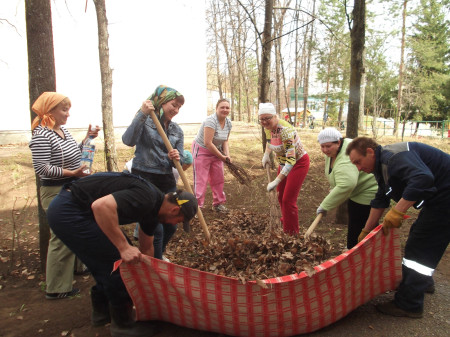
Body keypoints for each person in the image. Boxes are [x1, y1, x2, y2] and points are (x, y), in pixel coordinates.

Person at [46, 172, 198, 337]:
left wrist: (154, 277)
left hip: (78, 211)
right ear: (175, 210)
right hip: (69, 211)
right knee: (119, 262)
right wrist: (123, 247)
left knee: (114, 260)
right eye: (179, 221)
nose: (174, 224)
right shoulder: (146, 197)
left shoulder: (154, 210)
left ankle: (102, 314)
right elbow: (101, 206)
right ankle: (123, 326)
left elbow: (147, 248)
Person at [346, 137, 450, 318]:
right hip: (439, 199)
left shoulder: (394, 158)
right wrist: (366, 230)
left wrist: (397, 211)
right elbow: (380, 199)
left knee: (419, 247)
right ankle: (422, 283)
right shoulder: (382, 168)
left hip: (445, 198)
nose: (359, 168)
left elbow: (423, 179)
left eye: (358, 162)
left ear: (370, 152)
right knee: (420, 240)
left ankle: (409, 304)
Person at [28, 91, 100, 300]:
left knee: (77, 226)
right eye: (64, 109)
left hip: (71, 187)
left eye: (68, 109)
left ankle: (78, 267)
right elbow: (42, 168)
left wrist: (88, 138)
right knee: (60, 233)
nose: (68, 114)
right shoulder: (41, 134)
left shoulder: (62, 131)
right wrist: (72, 173)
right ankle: (57, 287)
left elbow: (74, 154)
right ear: (49, 111)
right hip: (54, 190)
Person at [122, 85, 186, 260]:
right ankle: (155, 263)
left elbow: (179, 157)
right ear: (162, 102)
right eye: (174, 105)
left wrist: (176, 155)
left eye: (179, 107)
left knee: (172, 225)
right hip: (144, 177)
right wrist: (142, 113)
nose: (176, 110)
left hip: (166, 179)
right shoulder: (145, 120)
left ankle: (156, 253)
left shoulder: (176, 130)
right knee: (155, 226)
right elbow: (127, 140)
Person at [315, 128, 378, 249]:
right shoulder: (334, 152)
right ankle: (363, 249)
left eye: (328, 146)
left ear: (338, 142)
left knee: (359, 223)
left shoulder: (346, 156)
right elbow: (337, 174)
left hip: (367, 191)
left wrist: (325, 205)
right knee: (360, 223)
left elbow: (346, 184)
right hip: (358, 191)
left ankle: (355, 252)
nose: (325, 150)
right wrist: (334, 189)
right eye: (322, 146)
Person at [259, 102, 310, 235]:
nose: (264, 122)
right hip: (283, 163)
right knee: (281, 196)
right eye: (261, 119)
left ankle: (292, 234)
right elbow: (270, 142)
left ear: (275, 116)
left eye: (267, 118)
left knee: (288, 200)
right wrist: (266, 154)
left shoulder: (285, 130)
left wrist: (276, 181)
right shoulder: (267, 128)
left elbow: (291, 160)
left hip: (298, 163)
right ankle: (286, 219)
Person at [126, 150, 193, 246]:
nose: (186, 169)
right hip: (137, 173)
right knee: (148, 212)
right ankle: (139, 230)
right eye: (186, 166)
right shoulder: (174, 170)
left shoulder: (175, 167)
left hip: (152, 181)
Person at [192, 98, 232, 212]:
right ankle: (197, 207)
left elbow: (225, 141)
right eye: (222, 107)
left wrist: (227, 156)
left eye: (227, 107)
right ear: (216, 109)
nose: (225, 109)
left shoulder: (228, 123)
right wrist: (221, 157)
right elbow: (208, 143)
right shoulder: (211, 121)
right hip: (202, 150)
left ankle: (218, 204)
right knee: (201, 180)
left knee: (218, 178)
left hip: (217, 151)